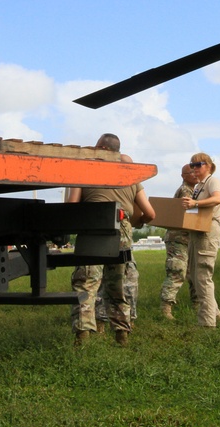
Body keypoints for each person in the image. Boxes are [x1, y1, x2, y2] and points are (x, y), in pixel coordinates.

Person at [68, 135, 155, 345]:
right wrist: (138, 222)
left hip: (92, 226)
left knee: (86, 283)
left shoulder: (84, 170)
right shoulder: (131, 176)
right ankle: (122, 334)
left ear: (103, 148)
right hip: (122, 228)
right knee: (117, 284)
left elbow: (71, 205)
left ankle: (82, 336)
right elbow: (150, 213)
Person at [181, 152, 220, 327]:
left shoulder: (213, 181)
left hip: (207, 232)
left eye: (197, 165)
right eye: (192, 165)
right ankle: (216, 315)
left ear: (207, 165)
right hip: (197, 231)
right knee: (194, 274)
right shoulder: (199, 186)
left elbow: (217, 198)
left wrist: (195, 204)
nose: (194, 169)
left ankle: (207, 323)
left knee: (203, 276)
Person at [159, 165, 198, 319]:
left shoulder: (195, 191)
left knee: (194, 273)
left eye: (196, 172)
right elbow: (191, 214)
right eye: (191, 173)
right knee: (177, 271)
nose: (195, 175)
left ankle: (197, 304)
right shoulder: (186, 191)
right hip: (178, 238)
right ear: (183, 175)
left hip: (188, 238)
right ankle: (165, 307)